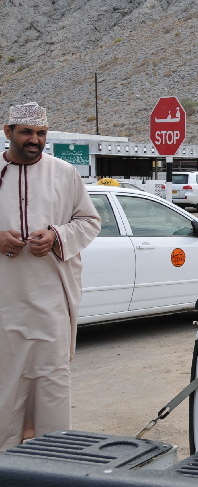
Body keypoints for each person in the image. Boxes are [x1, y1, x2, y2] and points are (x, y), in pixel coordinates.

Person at [0, 102, 101, 450]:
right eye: (27, 132)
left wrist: (57, 236)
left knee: (52, 381)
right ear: (8, 131)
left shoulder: (64, 173)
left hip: (51, 304)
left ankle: (55, 456)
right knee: (5, 381)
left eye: (41, 133)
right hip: (4, 304)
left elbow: (90, 222)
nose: (35, 140)